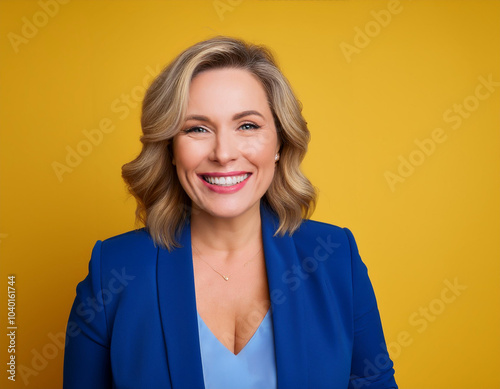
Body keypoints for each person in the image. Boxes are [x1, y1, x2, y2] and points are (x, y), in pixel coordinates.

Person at [63, 36, 398, 389]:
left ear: (280, 143)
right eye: (197, 128)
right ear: (171, 148)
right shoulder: (113, 270)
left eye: (248, 125)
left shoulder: (334, 256)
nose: (224, 153)